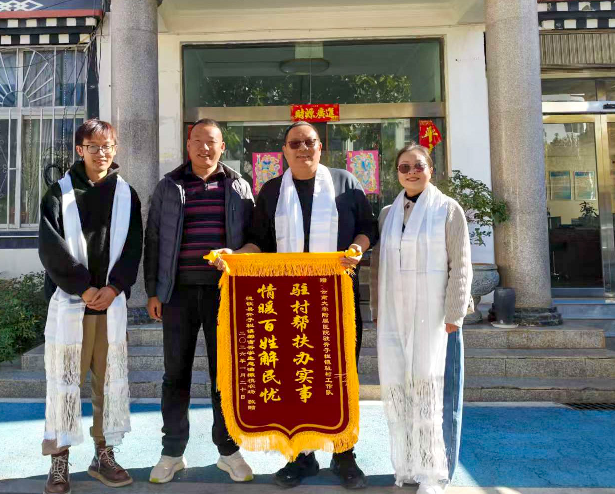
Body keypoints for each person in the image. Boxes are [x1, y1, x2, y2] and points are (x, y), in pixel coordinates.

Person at [214, 121, 378, 490]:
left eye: (309, 142)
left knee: (340, 377)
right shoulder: (273, 190)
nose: (303, 149)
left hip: (335, 300)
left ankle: (344, 455)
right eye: (295, 143)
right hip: (288, 301)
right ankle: (300, 457)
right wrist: (236, 256)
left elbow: (369, 228)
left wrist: (357, 248)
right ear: (285, 150)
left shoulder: (345, 183)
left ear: (321, 146)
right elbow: (259, 242)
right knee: (296, 376)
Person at [144, 118, 256, 484]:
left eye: (211, 142)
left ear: (223, 147)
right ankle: (172, 452)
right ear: (187, 145)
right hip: (177, 294)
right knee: (175, 374)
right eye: (197, 141)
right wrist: (153, 291)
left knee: (224, 375)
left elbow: (255, 239)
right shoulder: (168, 186)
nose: (204, 148)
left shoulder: (239, 186)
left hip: (225, 295)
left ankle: (228, 451)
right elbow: (153, 240)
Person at [38, 119, 143, 494]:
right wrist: (83, 288)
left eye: (108, 146)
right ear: (79, 149)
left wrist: (114, 288)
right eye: (93, 147)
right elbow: (51, 248)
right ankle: (59, 458)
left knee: (108, 385)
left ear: (116, 149)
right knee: (64, 383)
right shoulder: (60, 193)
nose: (101, 153)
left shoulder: (126, 194)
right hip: (72, 304)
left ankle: (104, 454)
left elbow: (133, 246)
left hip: (109, 307)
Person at [371, 143, 472, 494]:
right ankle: (409, 465)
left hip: (437, 320)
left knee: (434, 393)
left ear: (431, 169)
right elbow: (379, 265)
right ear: (396, 174)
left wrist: (455, 313)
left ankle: (434, 473)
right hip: (395, 317)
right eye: (404, 167)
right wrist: (378, 310)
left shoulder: (448, 209)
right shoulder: (388, 214)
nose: (412, 172)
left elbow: (460, 263)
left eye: (418, 166)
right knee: (401, 388)